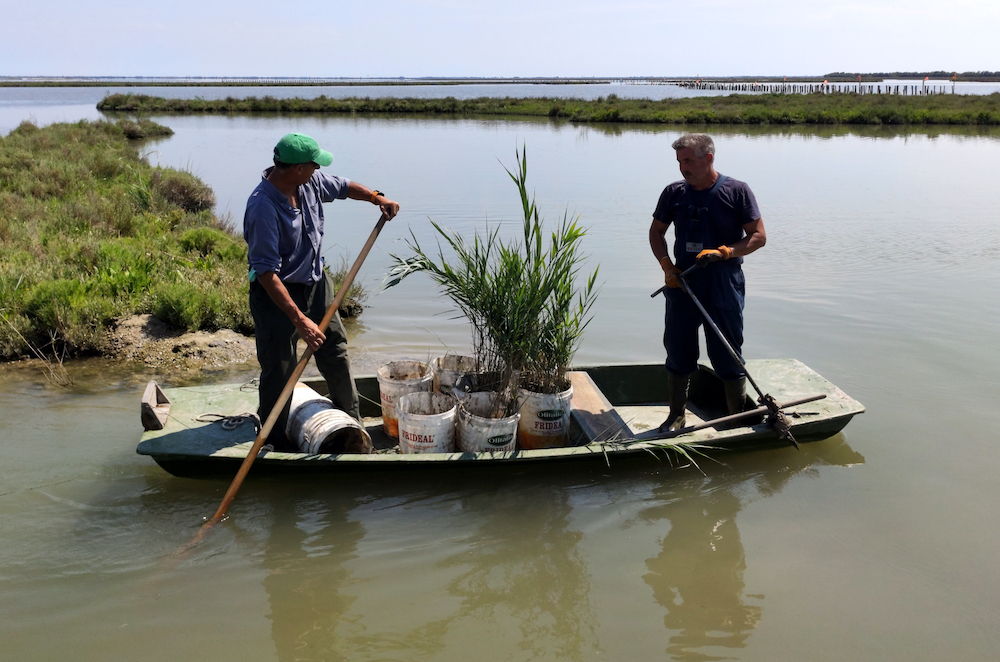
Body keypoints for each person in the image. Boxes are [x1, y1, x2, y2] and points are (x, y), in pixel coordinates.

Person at [244, 132, 400, 450]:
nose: (318, 170)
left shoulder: (310, 182)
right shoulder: (262, 207)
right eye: (314, 165)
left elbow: (343, 187)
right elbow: (266, 274)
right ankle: (274, 442)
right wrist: (300, 321)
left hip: (316, 283)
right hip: (277, 296)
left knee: (335, 351)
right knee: (280, 367)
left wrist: (376, 197)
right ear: (298, 168)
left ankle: (353, 428)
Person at [648, 133, 766, 432]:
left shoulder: (737, 191)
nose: (682, 168)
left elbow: (758, 236)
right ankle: (676, 415)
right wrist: (666, 266)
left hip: (723, 283)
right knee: (678, 349)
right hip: (682, 283)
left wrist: (725, 251)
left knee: (727, 351)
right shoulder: (673, 193)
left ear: (708, 157)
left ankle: (735, 417)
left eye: (687, 160)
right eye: (679, 161)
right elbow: (656, 233)